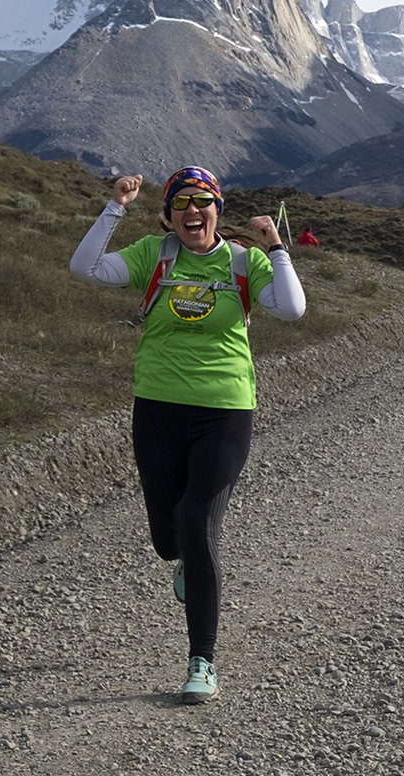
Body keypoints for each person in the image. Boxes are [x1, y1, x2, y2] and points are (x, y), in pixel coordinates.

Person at [70, 165, 306, 704]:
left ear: (218, 211)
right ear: (168, 215)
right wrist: (116, 207)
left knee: (200, 528)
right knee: (165, 537)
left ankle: (202, 661)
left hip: (225, 410)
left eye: (203, 203)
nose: (193, 212)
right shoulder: (154, 255)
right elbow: (84, 269)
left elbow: (292, 309)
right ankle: (182, 559)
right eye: (182, 204)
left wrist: (277, 248)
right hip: (157, 407)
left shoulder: (244, 262)